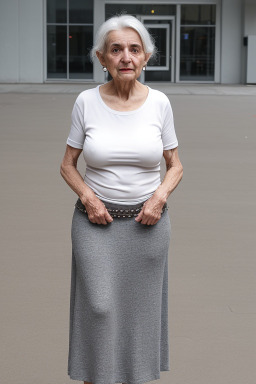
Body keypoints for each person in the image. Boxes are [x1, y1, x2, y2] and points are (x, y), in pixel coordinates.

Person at [60, 14, 183, 384]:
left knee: (139, 314)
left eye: (134, 49)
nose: (125, 57)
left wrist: (159, 197)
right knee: (97, 307)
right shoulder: (86, 102)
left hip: (148, 226)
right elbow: (67, 165)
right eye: (116, 50)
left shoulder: (159, 103)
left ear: (146, 57)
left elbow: (175, 165)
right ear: (102, 58)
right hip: (95, 223)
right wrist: (89, 197)